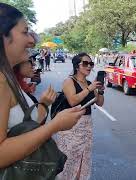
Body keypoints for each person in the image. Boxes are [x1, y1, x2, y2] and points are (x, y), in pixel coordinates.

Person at [0, 2, 84, 169]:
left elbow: (23, 128)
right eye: (25, 32)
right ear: (3, 36)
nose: (32, 40)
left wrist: (44, 105)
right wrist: (54, 126)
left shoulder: (6, 78)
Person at [56, 53, 105, 180]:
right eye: (85, 63)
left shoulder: (89, 83)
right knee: (69, 160)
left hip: (86, 127)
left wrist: (100, 91)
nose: (89, 66)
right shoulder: (69, 81)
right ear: (77, 66)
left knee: (83, 159)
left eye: (91, 64)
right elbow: (73, 101)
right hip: (71, 126)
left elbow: (99, 103)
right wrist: (89, 89)